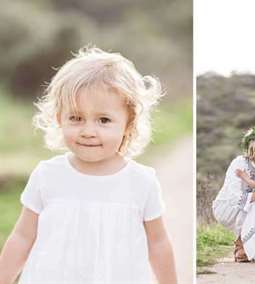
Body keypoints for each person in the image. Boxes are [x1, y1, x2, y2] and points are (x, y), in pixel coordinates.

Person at [0, 47, 177, 284]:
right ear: (58, 118)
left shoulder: (141, 181)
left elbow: (158, 243)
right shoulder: (48, 175)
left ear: (128, 124)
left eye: (103, 120)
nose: (88, 131)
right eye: (76, 118)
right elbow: (23, 236)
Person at [212, 126, 255, 262]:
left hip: (254, 207)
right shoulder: (240, 163)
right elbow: (235, 197)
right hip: (228, 207)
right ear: (253, 145)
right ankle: (241, 246)